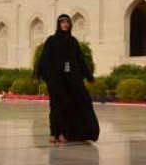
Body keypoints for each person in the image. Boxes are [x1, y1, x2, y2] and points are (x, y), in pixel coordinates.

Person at [34, 14, 100, 144]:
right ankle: (54, 133)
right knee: (55, 107)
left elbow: (80, 61)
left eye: (67, 22)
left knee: (66, 106)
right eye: (62, 22)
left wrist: (89, 76)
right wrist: (37, 75)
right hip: (55, 80)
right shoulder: (51, 41)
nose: (65, 24)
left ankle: (63, 133)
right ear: (59, 24)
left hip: (69, 80)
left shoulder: (72, 41)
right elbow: (43, 59)